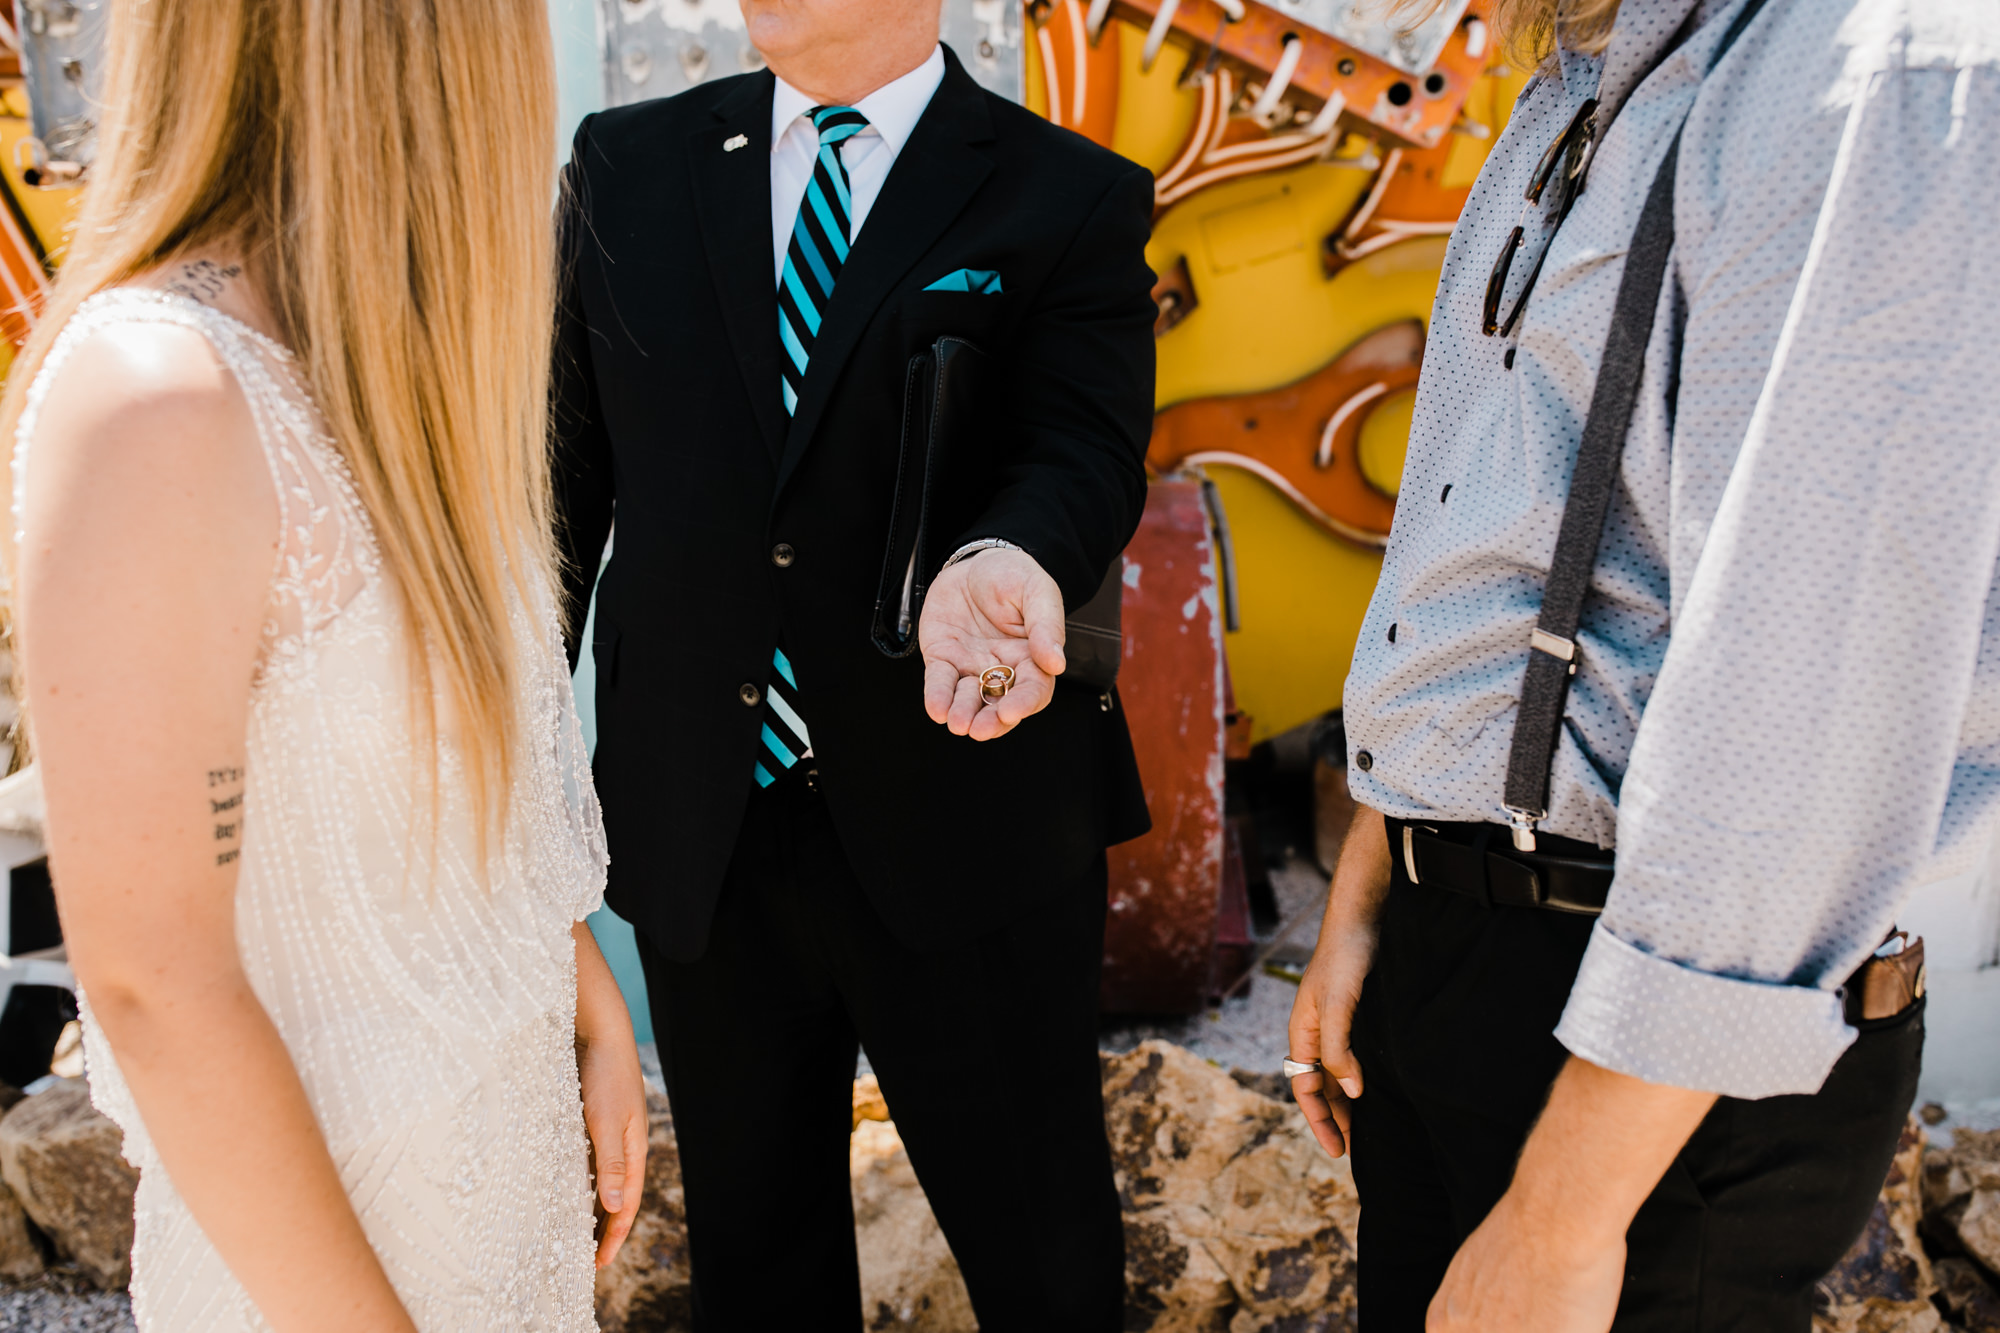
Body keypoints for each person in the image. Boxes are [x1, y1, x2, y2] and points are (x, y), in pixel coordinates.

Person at [1285, 0, 1995, 1328]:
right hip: (1468, 954)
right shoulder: (1586, 78)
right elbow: (1499, 519)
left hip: (1653, 1042)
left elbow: (1806, 692)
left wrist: (1565, 1213)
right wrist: (1379, 878)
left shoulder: (1872, 67)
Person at [5, 2, 649, 1329]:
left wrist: (565, 966)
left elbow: (421, 762)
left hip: (500, 1236)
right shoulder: (155, 395)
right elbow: (155, 980)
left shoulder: (381, 366)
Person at [551, 0, 1156, 1325]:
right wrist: (504, 752)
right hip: (703, 816)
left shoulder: (1067, 194)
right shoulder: (624, 167)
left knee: (1043, 1260)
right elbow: (558, 496)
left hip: (969, 814)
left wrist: (1011, 552)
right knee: (757, 1269)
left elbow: (1088, 451)